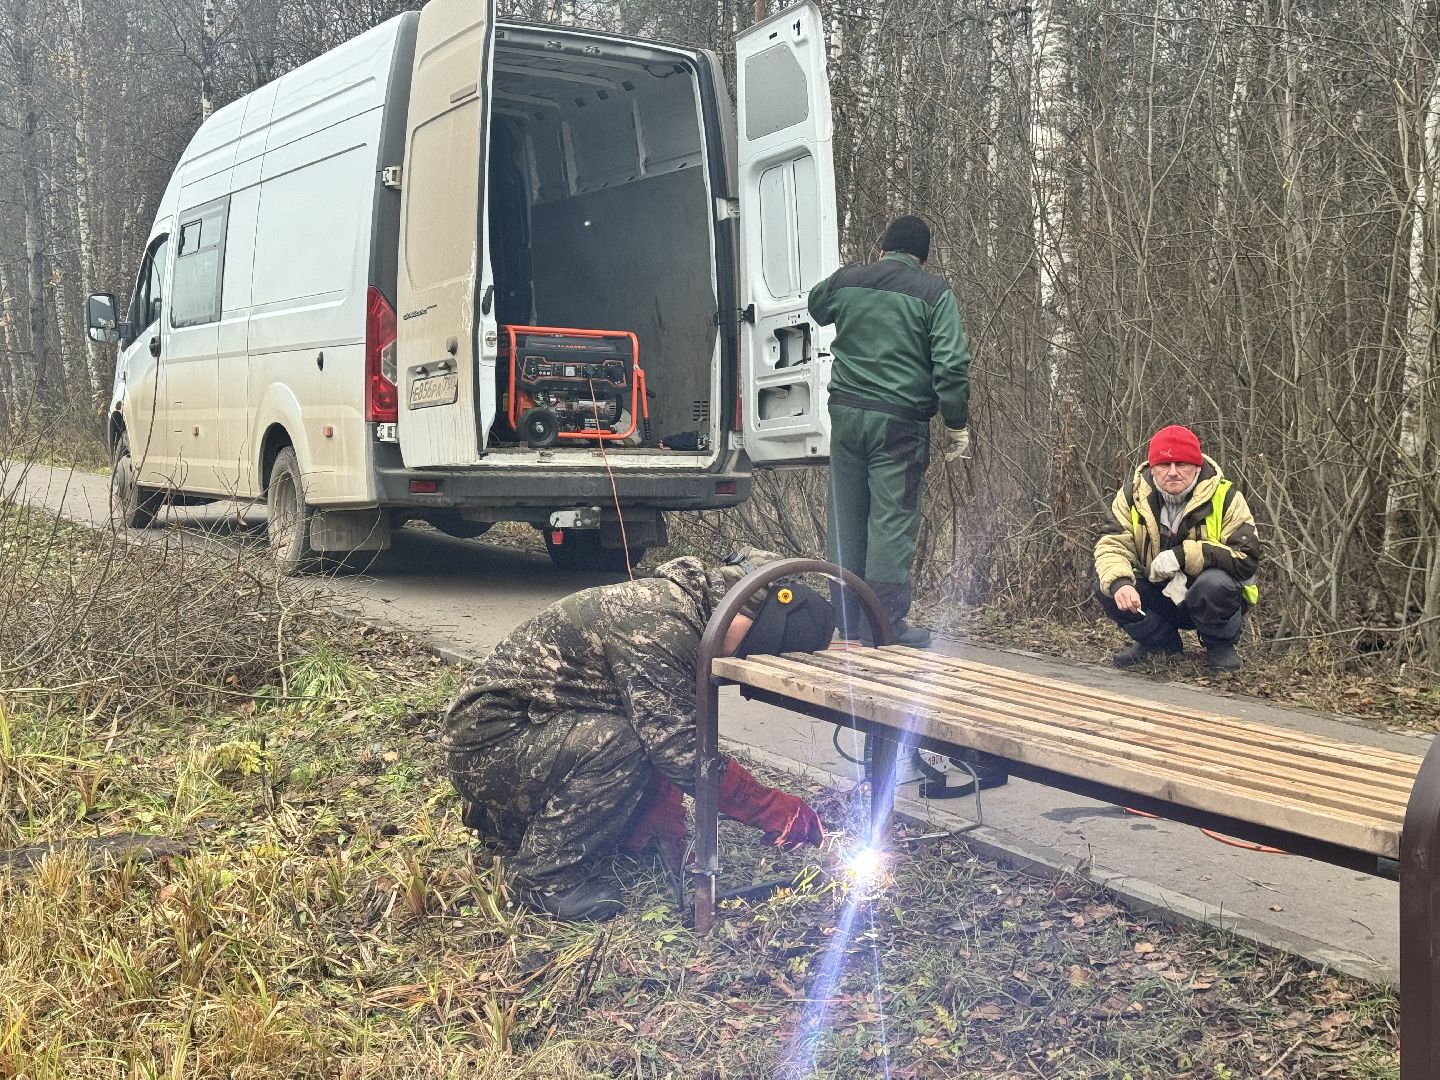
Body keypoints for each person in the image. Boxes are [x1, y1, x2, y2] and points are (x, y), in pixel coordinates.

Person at [440, 549, 835, 921]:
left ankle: (506, 821)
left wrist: (660, 814)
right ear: (751, 619)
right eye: (749, 651)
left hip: (526, 732)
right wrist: (767, 807)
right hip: (490, 748)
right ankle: (544, 879)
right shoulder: (662, 625)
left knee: (631, 737)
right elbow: (676, 749)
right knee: (620, 745)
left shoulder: (683, 605)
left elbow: (662, 718)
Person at [808, 214, 972, 648]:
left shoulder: (847, 281)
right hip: (900, 422)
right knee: (892, 520)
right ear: (922, 257)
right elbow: (952, 365)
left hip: (846, 416)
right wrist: (956, 423)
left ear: (883, 248)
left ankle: (847, 618)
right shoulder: (934, 292)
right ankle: (884, 626)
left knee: (846, 516)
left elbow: (815, 305)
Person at [1093, 425, 1262, 673]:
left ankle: (1220, 645)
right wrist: (1121, 583)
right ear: (1153, 467)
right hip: (1159, 591)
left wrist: (1184, 556)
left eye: (1181, 464)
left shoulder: (1226, 497)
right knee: (1106, 580)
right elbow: (1111, 544)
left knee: (1214, 583)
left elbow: (1245, 558)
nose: (1172, 473)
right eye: (1164, 465)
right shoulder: (1132, 496)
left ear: (1196, 465)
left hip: (1207, 596)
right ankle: (1160, 644)